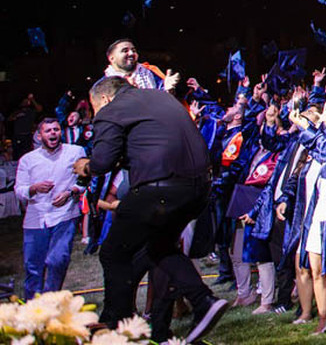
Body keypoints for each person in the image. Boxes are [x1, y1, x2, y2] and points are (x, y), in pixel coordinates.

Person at [76, 75, 228, 342]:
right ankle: (203, 300)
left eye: (94, 107)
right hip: (199, 188)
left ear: (105, 99)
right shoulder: (161, 98)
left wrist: (85, 166)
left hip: (159, 188)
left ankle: (116, 324)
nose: (96, 113)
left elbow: (102, 162)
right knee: (160, 246)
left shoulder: (113, 109)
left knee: (113, 253)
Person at [15, 117, 87, 298]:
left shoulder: (76, 152)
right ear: (39, 136)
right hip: (35, 219)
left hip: (65, 215)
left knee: (57, 261)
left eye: (56, 129)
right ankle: (32, 311)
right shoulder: (28, 160)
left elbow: (85, 180)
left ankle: (50, 302)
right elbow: (19, 190)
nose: (53, 133)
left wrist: (71, 192)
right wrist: (34, 188)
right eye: (48, 131)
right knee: (33, 267)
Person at [101, 39, 171, 91]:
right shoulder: (103, 84)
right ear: (112, 58)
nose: (131, 53)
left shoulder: (151, 73)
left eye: (134, 50)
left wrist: (168, 90)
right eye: (125, 51)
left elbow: (164, 98)